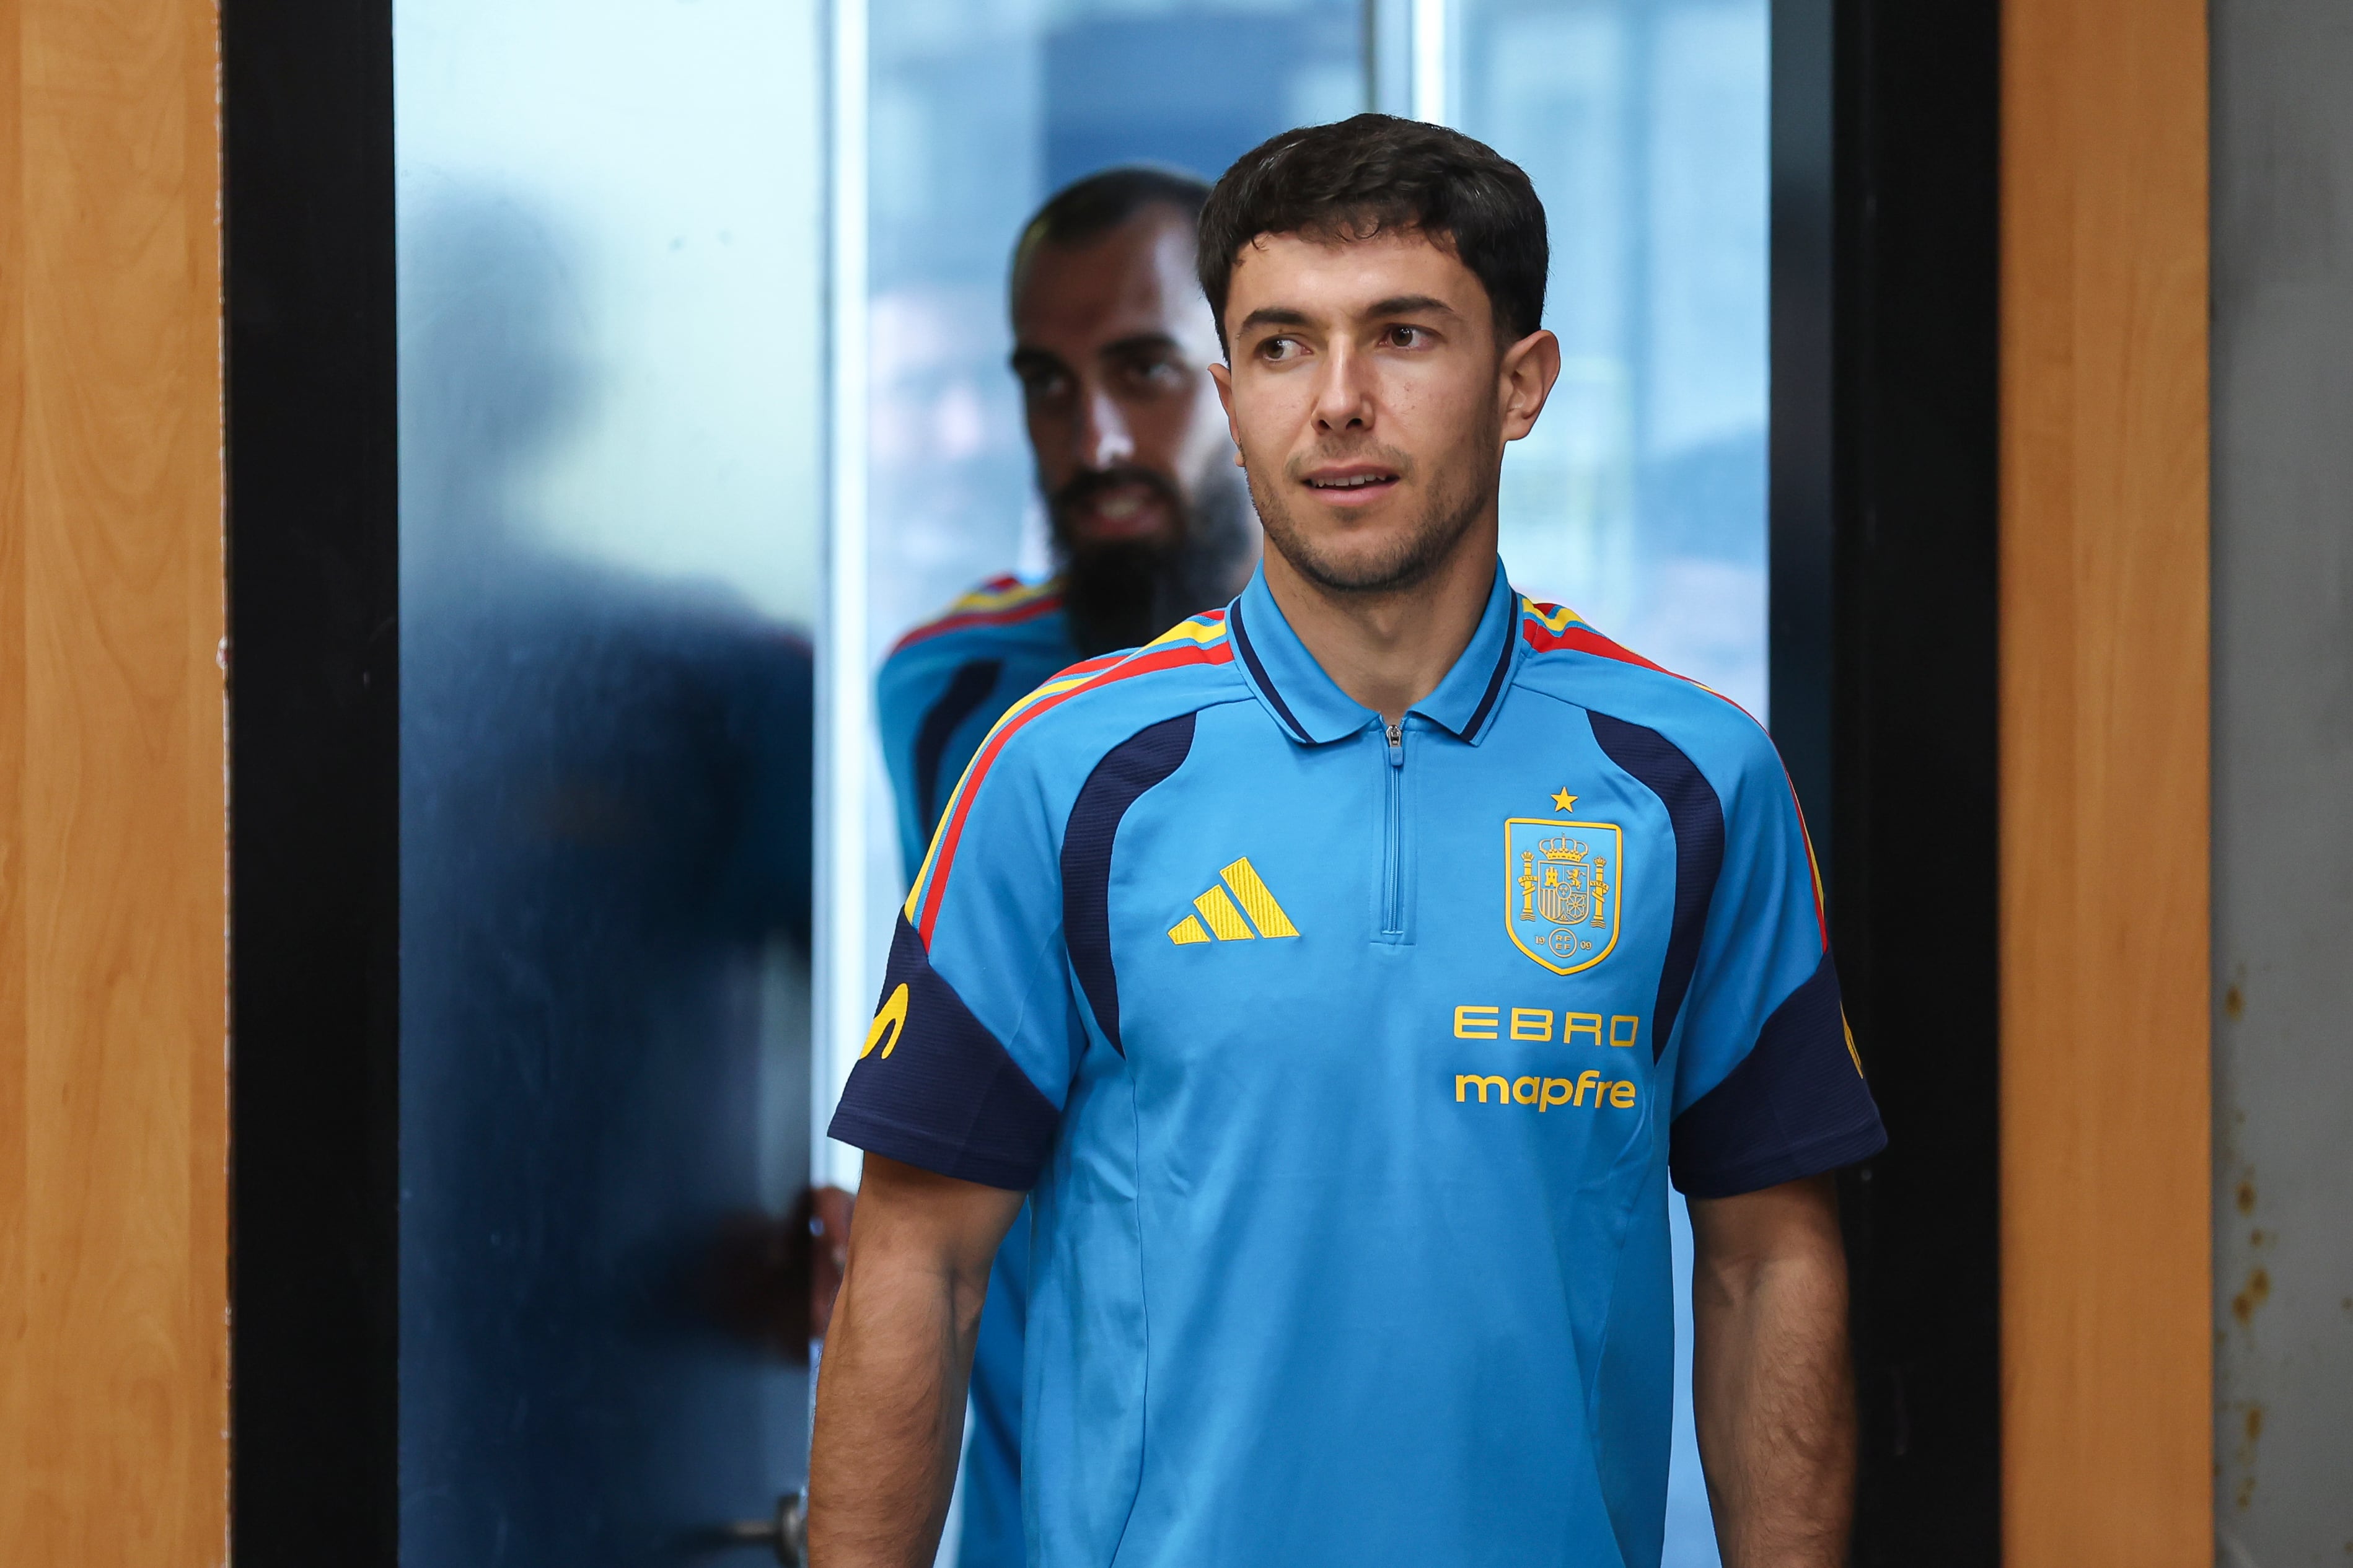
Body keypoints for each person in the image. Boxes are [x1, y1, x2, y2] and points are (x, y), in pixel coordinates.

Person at [817, 115, 1885, 1568]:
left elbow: (1768, 1268)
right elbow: (916, 1268)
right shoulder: (1059, 771)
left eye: (1401, 336)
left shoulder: (1692, 779)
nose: (1336, 402)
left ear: (1522, 385)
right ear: (1230, 395)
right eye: (1279, 346)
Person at [869, 165, 1259, 1567]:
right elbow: (960, 1072)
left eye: (1144, 371)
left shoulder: (1439, 701)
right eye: (1047, 381)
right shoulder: (948, 690)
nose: (1092, 437)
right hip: (1046, 1512)